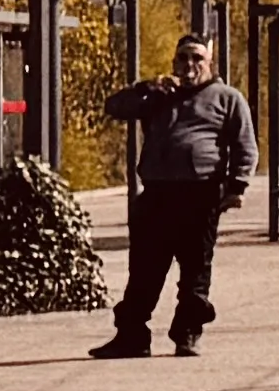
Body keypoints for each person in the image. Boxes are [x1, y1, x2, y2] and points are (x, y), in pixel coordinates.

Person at [95, 35, 258, 358]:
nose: (189, 65)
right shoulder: (158, 96)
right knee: (144, 270)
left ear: (210, 64)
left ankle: (187, 332)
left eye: (197, 58)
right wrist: (147, 88)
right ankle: (132, 336)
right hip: (157, 194)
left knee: (195, 270)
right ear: (174, 63)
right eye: (182, 58)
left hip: (201, 194)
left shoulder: (227, 98)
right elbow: (114, 107)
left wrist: (237, 187)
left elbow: (245, 145)